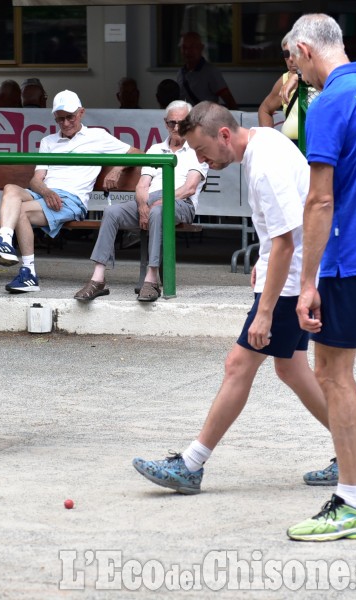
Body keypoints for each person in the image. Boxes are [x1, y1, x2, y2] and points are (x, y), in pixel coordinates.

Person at [132, 101, 335, 497]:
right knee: (291, 368)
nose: (202, 160)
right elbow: (282, 234)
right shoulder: (266, 143)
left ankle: (191, 464)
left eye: (203, 151)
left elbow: (286, 244)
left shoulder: (264, 166)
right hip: (292, 275)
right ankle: (355, 453)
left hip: (291, 281)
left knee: (238, 364)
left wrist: (264, 312)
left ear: (224, 134)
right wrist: (262, 264)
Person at [286, 14, 356, 542]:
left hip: (350, 256)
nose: (296, 75)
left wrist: (307, 281)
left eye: (291, 62)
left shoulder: (328, 102)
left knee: (331, 371)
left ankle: (352, 502)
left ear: (305, 50)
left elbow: (320, 197)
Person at [0, 90, 141, 293]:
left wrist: (117, 169)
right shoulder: (48, 141)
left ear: (81, 113)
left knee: (21, 211)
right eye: (60, 119)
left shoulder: (97, 136)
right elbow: (35, 180)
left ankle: (28, 273)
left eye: (70, 117)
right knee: (10, 188)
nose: (65, 123)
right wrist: (46, 192)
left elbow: (137, 152)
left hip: (72, 199)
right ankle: (4, 241)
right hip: (45, 194)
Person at [73, 101, 207, 303]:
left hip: (180, 203)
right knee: (112, 213)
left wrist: (156, 204)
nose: (177, 128)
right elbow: (142, 185)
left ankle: (151, 278)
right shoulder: (155, 149)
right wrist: (143, 205)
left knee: (158, 211)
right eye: (172, 123)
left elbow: (189, 188)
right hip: (150, 201)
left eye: (183, 123)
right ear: (165, 123)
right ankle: (98, 278)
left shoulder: (198, 149)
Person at [258, 32, 315, 143]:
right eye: (286, 54)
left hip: (318, 146)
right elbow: (264, 110)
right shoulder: (284, 79)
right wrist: (268, 141)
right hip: (291, 147)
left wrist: (297, 77)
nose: (290, 59)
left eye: (295, 53)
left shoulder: (322, 76)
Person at [176, 32, 238, 109]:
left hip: (206, 120)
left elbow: (229, 101)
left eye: (192, 47)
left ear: (201, 48)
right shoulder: (180, 73)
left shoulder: (211, 71)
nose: (187, 52)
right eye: (184, 47)